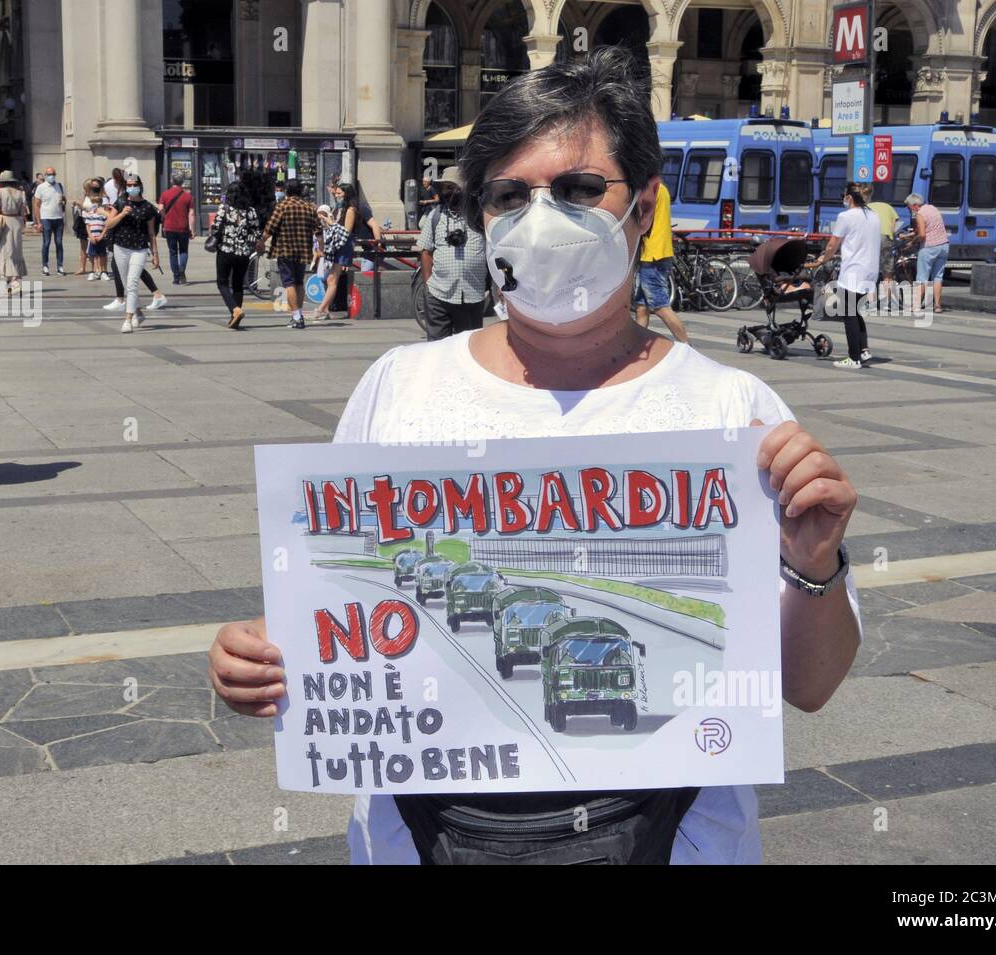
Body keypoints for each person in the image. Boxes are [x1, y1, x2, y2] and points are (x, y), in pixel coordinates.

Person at [209, 46, 861, 867]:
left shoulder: (734, 413)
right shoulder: (398, 387)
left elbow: (810, 684)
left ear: (645, 205)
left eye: (582, 188)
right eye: (510, 195)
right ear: (480, 214)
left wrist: (814, 563)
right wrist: (258, 659)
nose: (542, 217)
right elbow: (336, 611)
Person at [413, 166, 489, 341]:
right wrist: (428, 285)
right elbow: (426, 251)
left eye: (454, 187)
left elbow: (493, 250)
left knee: (468, 348)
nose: (450, 192)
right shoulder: (435, 216)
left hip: (472, 295)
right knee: (436, 347)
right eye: (446, 188)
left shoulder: (479, 217)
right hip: (439, 294)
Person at [809, 184, 879, 370]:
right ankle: (863, 350)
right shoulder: (874, 216)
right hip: (870, 270)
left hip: (854, 270)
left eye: (844, 195)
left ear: (849, 197)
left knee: (848, 314)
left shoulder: (845, 217)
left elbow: (833, 244)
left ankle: (853, 358)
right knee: (855, 311)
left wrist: (823, 259)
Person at [102, 172, 161, 334]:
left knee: (132, 282)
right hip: (120, 247)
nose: (132, 187)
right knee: (127, 285)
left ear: (140, 186)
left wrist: (155, 254)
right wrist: (122, 214)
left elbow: (151, 233)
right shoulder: (120, 202)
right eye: (129, 185)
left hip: (139, 248)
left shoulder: (148, 207)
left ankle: (127, 320)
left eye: (134, 185)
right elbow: (109, 224)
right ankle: (137, 312)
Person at [258, 178, 318, 330]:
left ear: (287, 191)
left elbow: (270, 227)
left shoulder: (282, 206)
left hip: (285, 249)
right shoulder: (309, 207)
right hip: (303, 250)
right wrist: (321, 249)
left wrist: (260, 242)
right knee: (299, 282)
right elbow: (318, 230)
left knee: (289, 283)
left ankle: (297, 316)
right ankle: (298, 315)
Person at [632, 177, 688, 342]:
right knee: (641, 307)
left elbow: (638, 217)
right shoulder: (660, 188)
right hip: (655, 252)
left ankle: (687, 346)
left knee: (660, 306)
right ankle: (638, 344)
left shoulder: (649, 190)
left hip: (652, 255)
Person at [210, 182, 260, 329]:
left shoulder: (224, 208)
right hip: (243, 253)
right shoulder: (250, 211)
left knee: (222, 282)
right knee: (238, 284)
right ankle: (235, 319)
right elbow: (256, 232)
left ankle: (235, 309)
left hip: (225, 251)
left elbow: (216, 228)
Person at [312, 181, 360, 321]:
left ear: (346, 195)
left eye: (339, 194)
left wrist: (330, 222)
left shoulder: (351, 210)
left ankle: (321, 309)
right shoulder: (340, 210)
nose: (337, 196)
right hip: (336, 246)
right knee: (330, 278)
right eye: (336, 193)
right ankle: (325, 309)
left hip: (343, 247)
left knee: (332, 279)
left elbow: (346, 232)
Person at [905, 192, 948, 315]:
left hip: (930, 247)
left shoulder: (920, 214)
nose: (909, 209)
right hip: (944, 245)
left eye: (909, 207)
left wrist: (912, 242)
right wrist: (911, 235)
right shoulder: (933, 208)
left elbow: (922, 235)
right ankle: (937, 306)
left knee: (922, 278)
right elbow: (930, 228)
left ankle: (916, 306)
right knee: (938, 277)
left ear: (914, 205)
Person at [0, 169, 29, 294]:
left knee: (5, 251)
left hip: (4, 222)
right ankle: (15, 280)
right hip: (16, 222)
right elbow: (23, 212)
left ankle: (8, 280)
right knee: (16, 251)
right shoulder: (20, 193)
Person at [862, 183, 898, 305]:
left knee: (871, 272)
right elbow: (893, 227)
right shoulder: (889, 207)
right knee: (887, 273)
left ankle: (871, 302)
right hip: (886, 238)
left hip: (872, 238)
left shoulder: (867, 207)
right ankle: (887, 303)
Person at [158, 174, 196, 284]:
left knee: (173, 252)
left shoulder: (165, 194)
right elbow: (192, 214)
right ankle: (182, 270)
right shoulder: (188, 196)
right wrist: (192, 230)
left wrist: (165, 217)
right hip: (183, 227)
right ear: (182, 182)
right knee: (184, 251)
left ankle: (176, 277)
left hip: (169, 227)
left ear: (171, 181)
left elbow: (160, 208)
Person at [33, 166, 66, 276]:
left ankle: (60, 266)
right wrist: (38, 222)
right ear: (45, 175)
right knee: (46, 243)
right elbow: (36, 205)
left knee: (59, 243)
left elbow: (63, 199)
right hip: (46, 218)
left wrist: (63, 203)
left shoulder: (59, 186)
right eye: (48, 174)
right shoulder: (41, 187)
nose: (51, 176)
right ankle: (45, 265)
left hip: (58, 218)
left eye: (52, 174)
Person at [82, 179, 111, 281]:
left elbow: (107, 222)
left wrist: (102, 234)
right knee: (92, 255)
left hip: (101, 235)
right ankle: (94, 271)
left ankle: (103, 271)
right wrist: (90, 235)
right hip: (92, 235)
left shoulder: (104, 203)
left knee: (102, 253)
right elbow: (87, 224)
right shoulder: (89, 211)